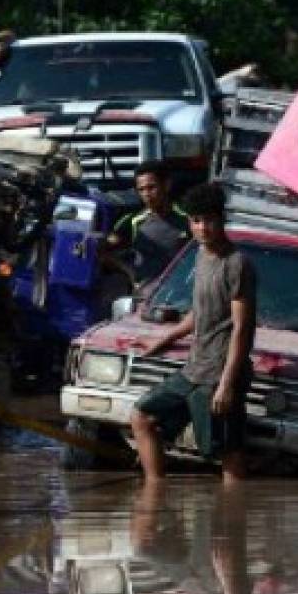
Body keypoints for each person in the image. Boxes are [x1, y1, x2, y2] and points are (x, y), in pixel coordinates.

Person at [130, 183, 255, 483]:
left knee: (225, 452)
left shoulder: (236, 264)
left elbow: (243, 328)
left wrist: (226, 384)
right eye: (197, 220)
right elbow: (201, 313)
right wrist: (167, 339)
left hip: (218, 373)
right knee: (141, 416)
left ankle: (232, 521)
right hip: (193, 369)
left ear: (222, 219)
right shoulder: (200, 255)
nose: (204, 228)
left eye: (210, 220)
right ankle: (153, 495)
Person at [107, 161, 190, 283]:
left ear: (167, 185)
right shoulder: (132, 221)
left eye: (151, 187)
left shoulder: (188, 219)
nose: (146, 194)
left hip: (179, 293)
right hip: (144, 294)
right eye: (141, 189)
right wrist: (129, 273)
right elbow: (103, 251)